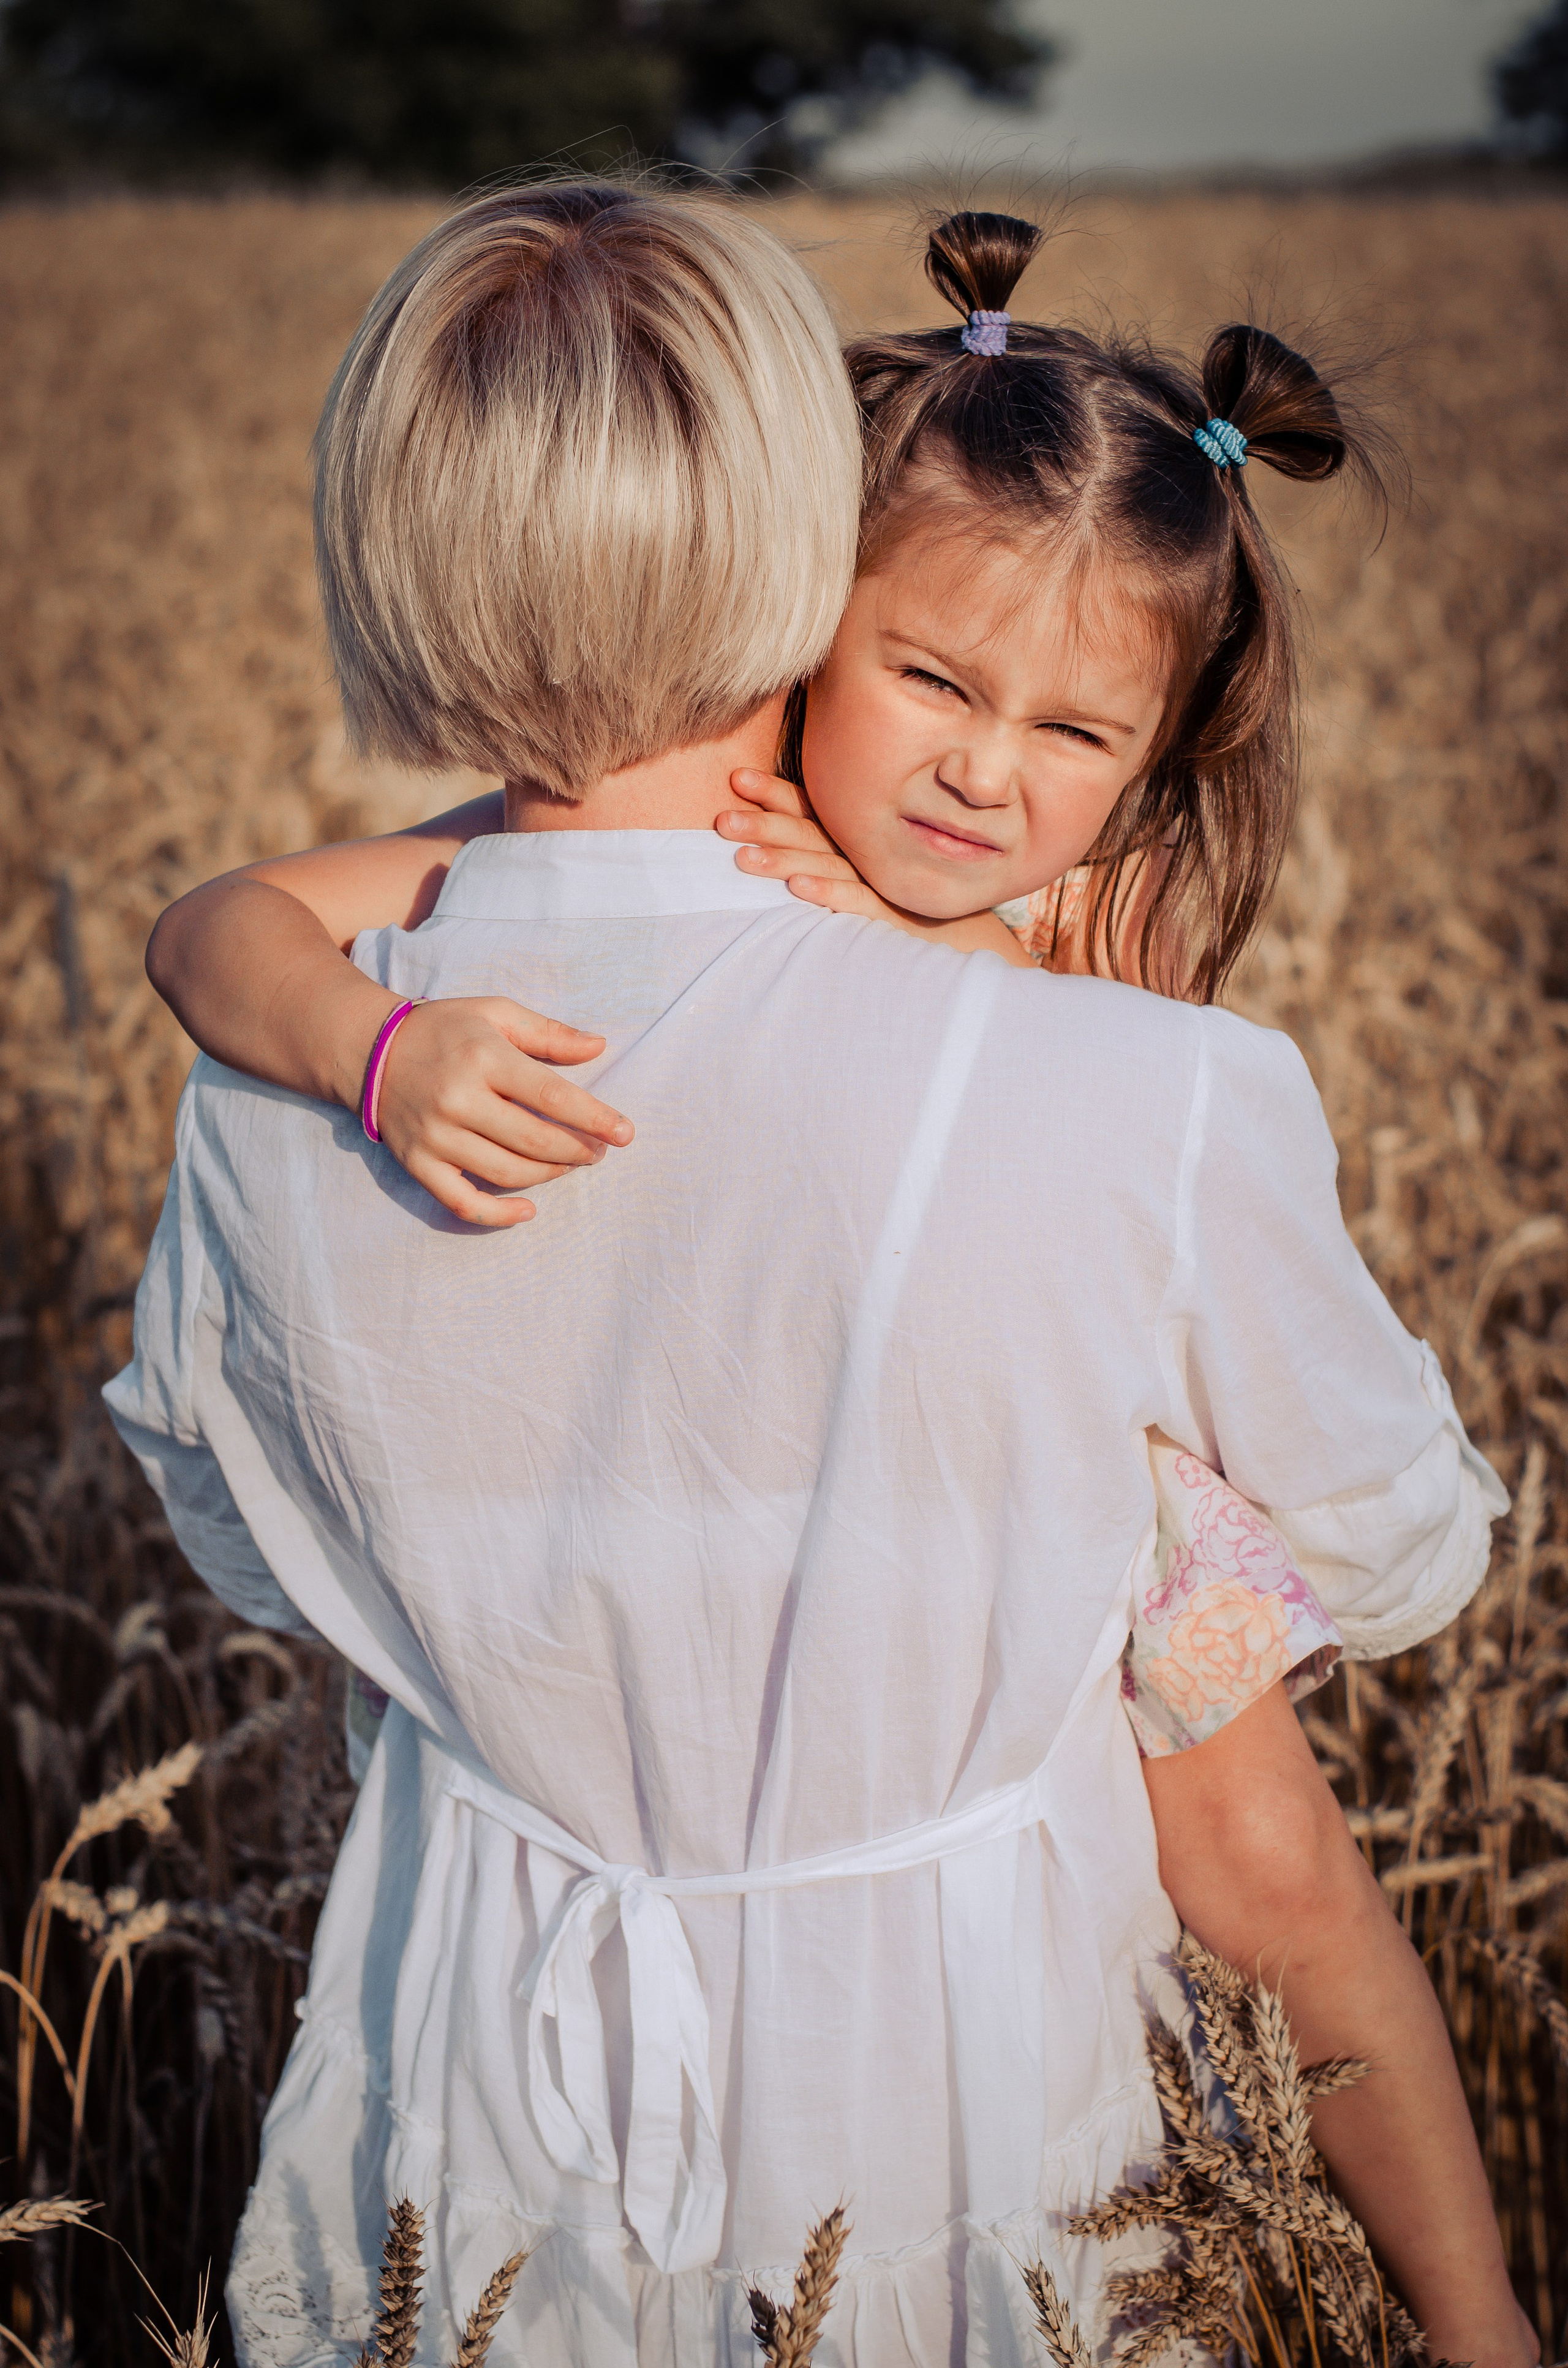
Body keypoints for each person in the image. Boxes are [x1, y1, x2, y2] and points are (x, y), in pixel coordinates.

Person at [110, 181, 1532, 2367]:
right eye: (936, 674)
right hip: (959, 2097)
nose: (986, 763)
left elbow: (252, 1542)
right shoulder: (1140, 1088)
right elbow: (1401, 1546)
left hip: (479, 2102)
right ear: (814, 552)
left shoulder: (267, 1098)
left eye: (1072, 732)